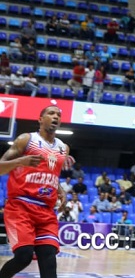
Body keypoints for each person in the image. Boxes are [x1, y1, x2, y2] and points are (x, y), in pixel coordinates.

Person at [0, 104, 73, 278]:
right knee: (24, 256)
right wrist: (20, 162)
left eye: (58, 115)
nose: (55, 117)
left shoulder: (64, 148)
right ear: (40, 119)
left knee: (49, 260)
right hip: (20, 207)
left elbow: (50, 175)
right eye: (51, 113)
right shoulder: (26, 139)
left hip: (46, 212)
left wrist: (60, 190)